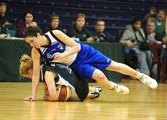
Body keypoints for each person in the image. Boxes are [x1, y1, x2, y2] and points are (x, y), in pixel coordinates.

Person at [23, 26, 158, 101]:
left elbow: (77, 47)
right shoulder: (36, 51)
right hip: (74, 64)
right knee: (99, 76)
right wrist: (33, 96)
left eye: (32, 41)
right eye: (28, 43)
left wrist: (63, 55)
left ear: (38, 35)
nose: (31, 44)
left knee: (113, 65)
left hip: (84, 52)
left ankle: (141, 77)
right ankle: (113, 86)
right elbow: (35, 75)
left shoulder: (55, 34)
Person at [19, 54, 102, 101]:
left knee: (61, 94)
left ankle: (87, 95)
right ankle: (91, 89)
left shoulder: (47, 74)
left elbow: (53, 97)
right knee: (62, 83)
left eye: (28, 76)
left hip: (81, 91)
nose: (31, 78)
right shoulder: (46, 64)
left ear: (31, 70)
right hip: (82, 79)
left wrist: (46, 98)